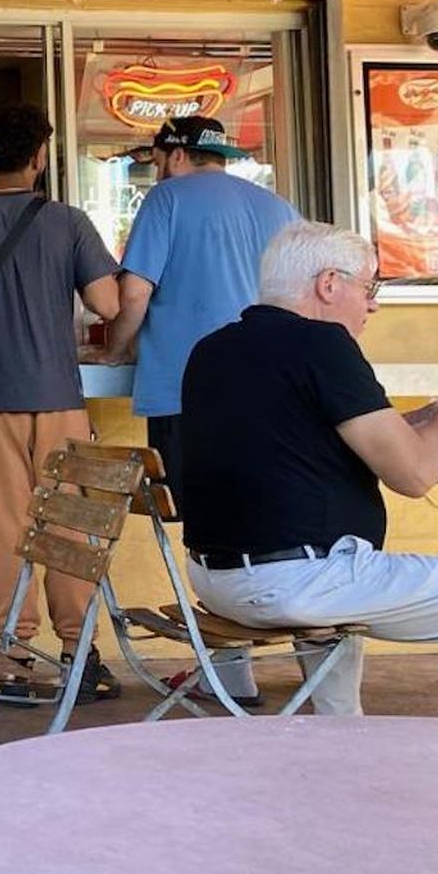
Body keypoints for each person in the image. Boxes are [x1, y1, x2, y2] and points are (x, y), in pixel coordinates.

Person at [179, 220, 438, 716]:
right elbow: (414, 476)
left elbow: (304, 440)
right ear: (328, 284)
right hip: (300, 581)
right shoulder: (322, 345)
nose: (373, 304)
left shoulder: (212, 349)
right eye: (369, 287)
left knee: (346, 560)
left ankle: (341, 734)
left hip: (216, 580)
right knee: (352, 564)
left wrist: (427, 419)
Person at [0, 103, 123, 698]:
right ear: (40, 157)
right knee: (66, 531)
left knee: (6, 532)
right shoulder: (69, 223)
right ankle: (77, 654)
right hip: (60, 402)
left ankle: (13, 651)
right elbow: (109, 305)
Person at [99, 116, 297, 706]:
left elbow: (134, 294)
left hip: (187, 387)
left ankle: (231, 668)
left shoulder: (166, 199)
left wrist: (114, 348)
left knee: (204, 528)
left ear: (177, 154)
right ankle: (278, 655)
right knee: (266, 517)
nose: (154, 166)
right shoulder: (277, 207)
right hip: (269, 387)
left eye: (157, 156)